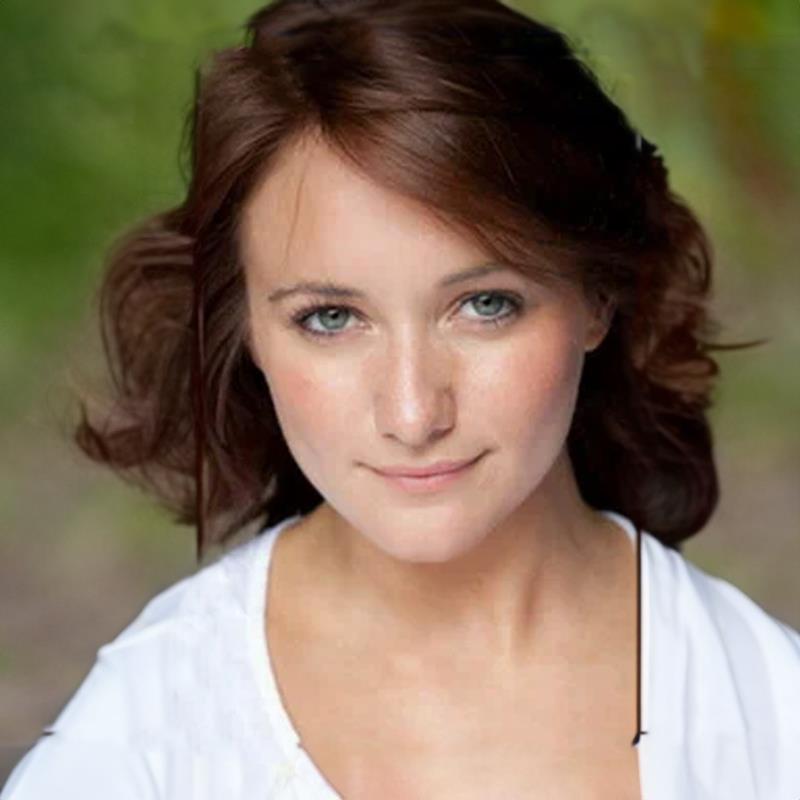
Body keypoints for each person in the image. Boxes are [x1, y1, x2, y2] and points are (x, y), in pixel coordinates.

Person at [2, 1, 799, 798]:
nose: (414, 414)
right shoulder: (139, 746)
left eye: (486, 304)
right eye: (330, 318)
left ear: (598, 297)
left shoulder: (770, 715)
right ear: (244, 330)